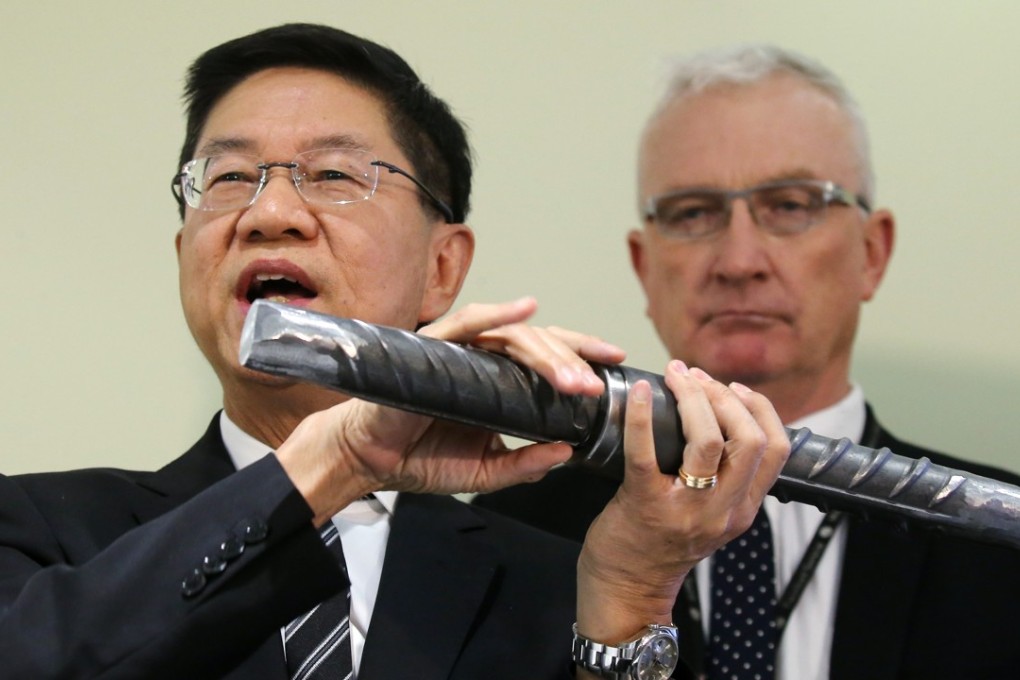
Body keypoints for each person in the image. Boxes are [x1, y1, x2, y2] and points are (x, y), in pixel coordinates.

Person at [0, 24, 791, 680]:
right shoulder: (44, 530)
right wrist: (338, 457)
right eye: (230, 177)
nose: (269, 211)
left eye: (334, 174)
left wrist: (627, 596)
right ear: (184, 251)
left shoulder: (559, 583)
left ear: (442, 267)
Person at [475, 45, 1020, 679]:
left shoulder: (996, 533)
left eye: (790, 206)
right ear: (644, 268)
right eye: (693, 214)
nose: (739, 260)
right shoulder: (506, 535)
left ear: (872, 252)